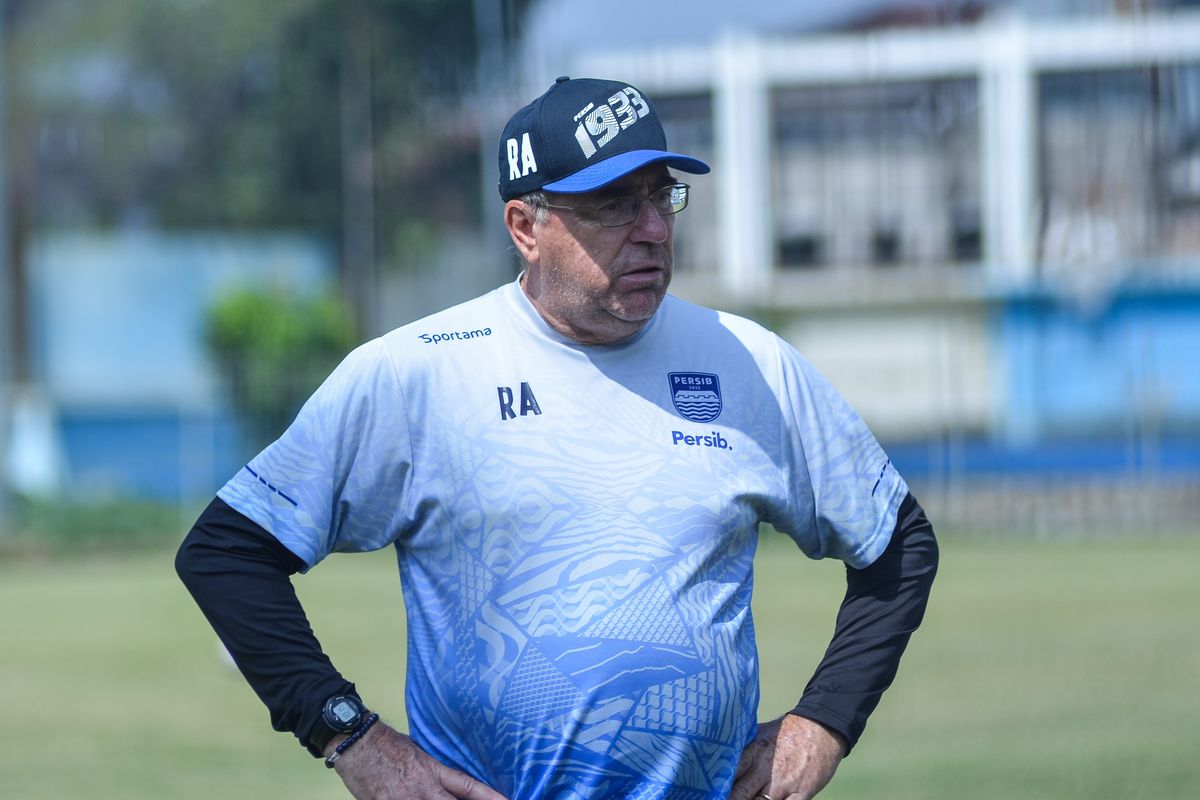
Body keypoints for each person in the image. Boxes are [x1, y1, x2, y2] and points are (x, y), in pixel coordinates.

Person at [176, 75, 938, 800]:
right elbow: (227, 552)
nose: (652, 230)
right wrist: (351, 737)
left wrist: (824, 722)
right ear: (525, 227)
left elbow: (897, 540)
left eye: (661, 196)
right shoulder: (419, 374)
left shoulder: (749, 363)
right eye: (613, 205)